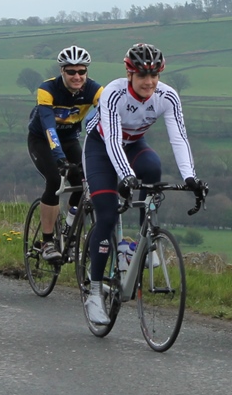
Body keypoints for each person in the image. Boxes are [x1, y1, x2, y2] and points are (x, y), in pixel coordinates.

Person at [82, 43, 206, 325]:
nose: (149, 82)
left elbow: (179, 138)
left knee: (153, 169)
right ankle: (94, 292)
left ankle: (139, 243)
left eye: (154, 76)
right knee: (107, 214)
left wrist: (190, 176)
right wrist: (125, 175)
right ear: (129, 74)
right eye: (142, 76)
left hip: (135, 143)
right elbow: (112, 140)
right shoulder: (114, 93)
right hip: (101, 147)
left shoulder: (167, 96)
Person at [27, 45, 103, 261]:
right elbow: (48, 125)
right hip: (42, 140)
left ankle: (69, 228)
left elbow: (110, 116)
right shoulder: (47, 89)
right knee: (54, 179)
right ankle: (47, 242)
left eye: (82, 71)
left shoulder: (95, 90)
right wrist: (58, 157)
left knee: (84, 181)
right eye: (71, 72)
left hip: (70, 140)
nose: (77, 76)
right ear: (62, 71)